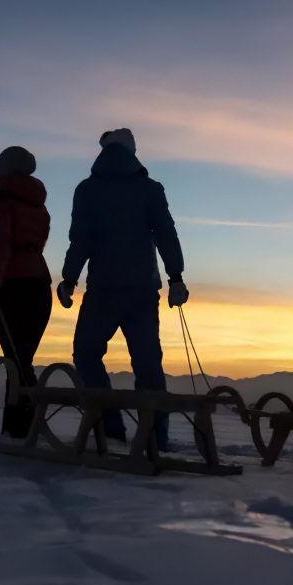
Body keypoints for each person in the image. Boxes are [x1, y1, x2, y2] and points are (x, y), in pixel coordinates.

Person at [57, 128, 188, 450]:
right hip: (143, 289)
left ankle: (109, 428)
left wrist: (69, 279)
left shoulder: (87, 190)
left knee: (87, 353)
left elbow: (81, 240)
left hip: (103, 288)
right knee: (147, 363)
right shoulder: (150, 189)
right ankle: (156, 438)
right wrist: (176, 277)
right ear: (133, 153)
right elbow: (166, 234)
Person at [0, 146, 53, 438]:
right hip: (39, 285)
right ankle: (24, 422)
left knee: (14, 359)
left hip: (13, 285)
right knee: (22, 357)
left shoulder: (1, 201)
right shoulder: (38, 205)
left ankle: (18, 428)